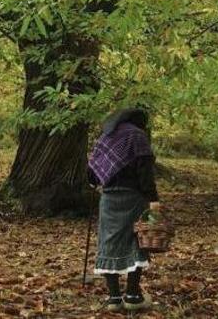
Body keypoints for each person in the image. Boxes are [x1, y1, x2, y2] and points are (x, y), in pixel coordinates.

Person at [88, 108, 158, 312]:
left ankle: (113, 299)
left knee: (109, 243)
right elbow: (144, 171)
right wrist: (153, 199)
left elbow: (91, 175)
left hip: (109, 200)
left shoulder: (105, 138)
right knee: (136, 242)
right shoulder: (138, 136)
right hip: (133, 198)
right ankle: (133, 296)